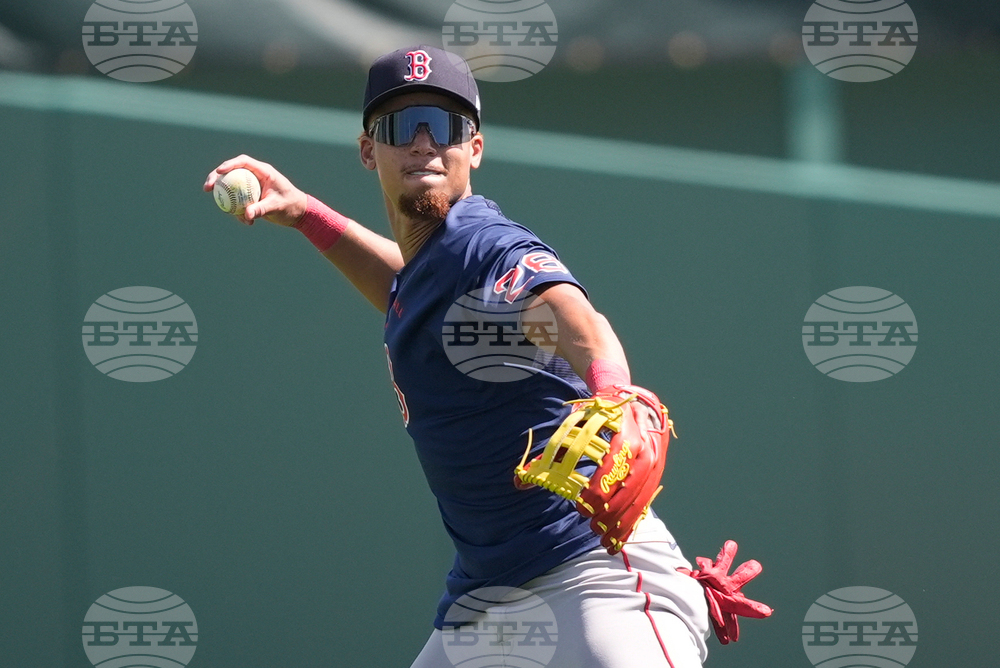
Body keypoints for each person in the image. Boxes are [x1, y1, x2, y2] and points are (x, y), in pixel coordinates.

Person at [204, 45, 768, 668]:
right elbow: (404, 292)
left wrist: (613, 392)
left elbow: (581, 325)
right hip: (486, 597)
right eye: (400, 126)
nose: (423, 143)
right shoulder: (433, 269)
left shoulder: (482, 243)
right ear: (369, 151)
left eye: (444, 126)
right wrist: (309, 215)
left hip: (596, 578)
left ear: (474, 148)